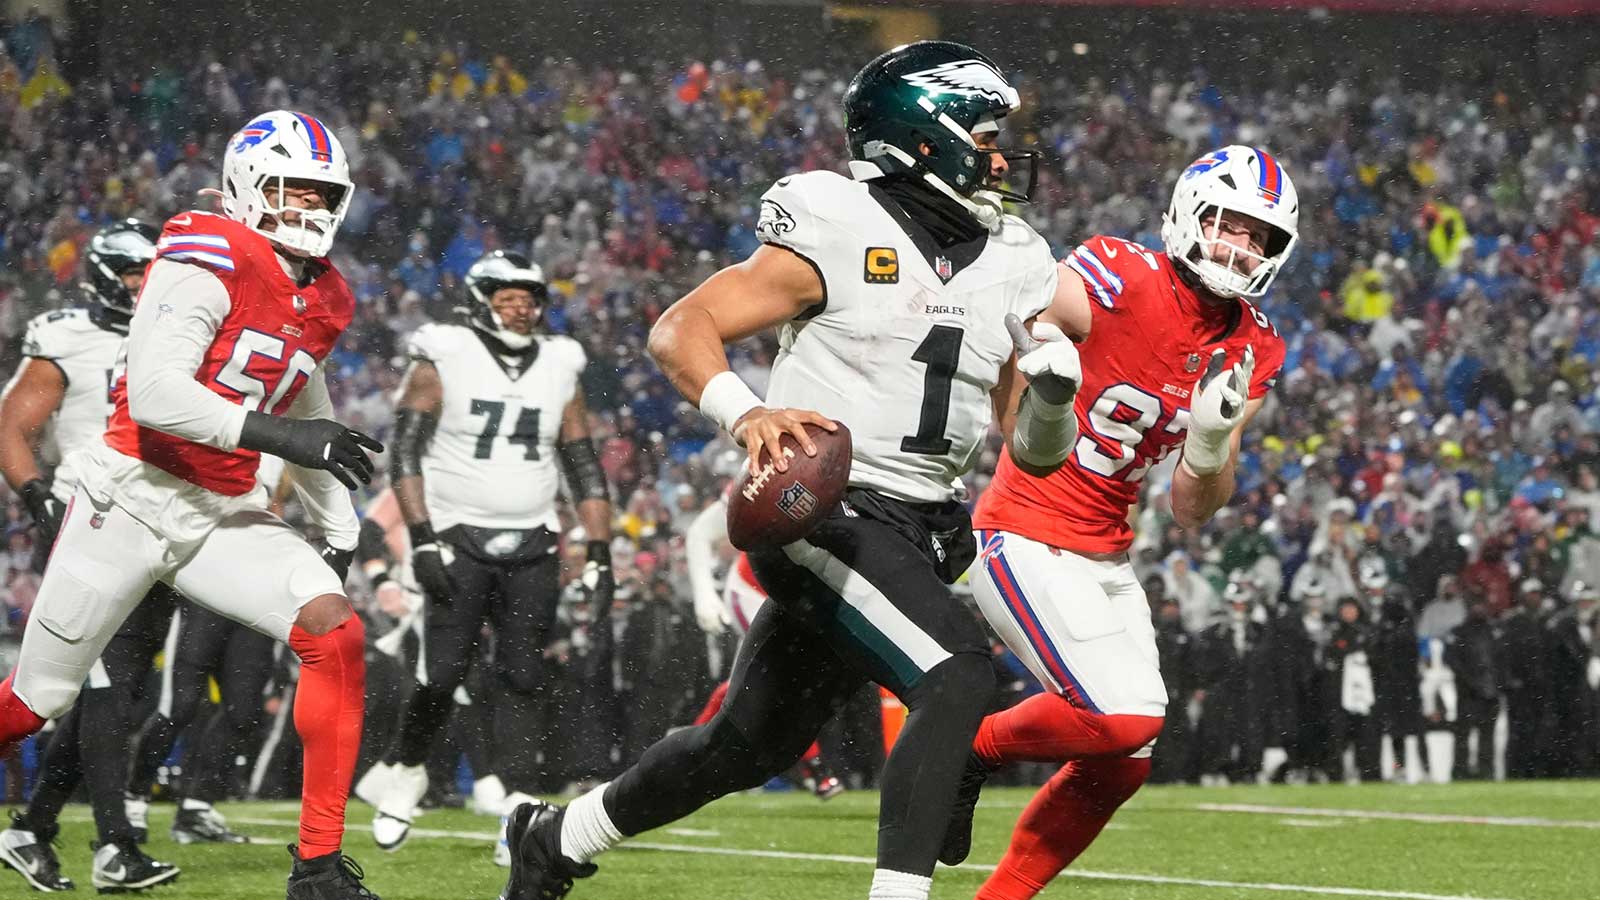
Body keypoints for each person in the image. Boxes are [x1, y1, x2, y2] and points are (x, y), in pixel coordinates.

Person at [499, 40, 1082, 900]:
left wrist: (1055, 400)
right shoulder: (837, 221)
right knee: (957, 671)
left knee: (747, 744)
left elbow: (1030, 449)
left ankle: (555, 839)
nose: (1001, 158)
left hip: (923, 523)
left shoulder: (1016, 255)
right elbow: (680, 328)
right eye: (986, 137)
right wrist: (749, 412)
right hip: (824, 506)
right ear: (924, 138)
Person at [0, 109, 384, 900]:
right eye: (292, 189)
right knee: (37, 703)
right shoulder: (205, 250)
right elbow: (155, 395)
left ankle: (317, 871)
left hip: (218, 510)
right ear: (248, 185)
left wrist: (338, 522)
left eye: (321, 194)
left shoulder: (325, 292)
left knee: (335, 631)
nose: (310, 207)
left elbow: (299, 389)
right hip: (129, 498)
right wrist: (288, 438)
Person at [951, 145, 1296, 898]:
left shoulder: (1255, 344)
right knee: (1124, 719)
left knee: (1124, 761)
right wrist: (1030, 388)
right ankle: (965, 749)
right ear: (1190, 215)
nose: (1240, 247)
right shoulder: (1118, 272)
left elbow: (1192, 508)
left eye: (1259, 236)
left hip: (1106, 553)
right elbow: (1016, 322)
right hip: (1024, 529)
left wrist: (1210, 443)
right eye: (1229, 224)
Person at [361, 250, 614, 852]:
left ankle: (518, 811)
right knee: (442, 675)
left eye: (529, 299)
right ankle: (407, 769)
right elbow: (405, 451)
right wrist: (422, 539)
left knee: (524, 676)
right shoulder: (445, 353)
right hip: (458, 535)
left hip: (532, 538)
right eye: (508, 298)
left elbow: (582, 463)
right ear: (480, 302)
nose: (521, 308)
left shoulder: (560, 362)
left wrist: (600, 549)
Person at [0, 221, 183, 891]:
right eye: (134, 274)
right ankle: (115, 847)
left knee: (116, 692)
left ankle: (30, 830)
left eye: (149, 274)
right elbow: (11, 424)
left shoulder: (179, 333)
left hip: (159, 526)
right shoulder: (68, 336)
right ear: (106, 276)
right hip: (87, 520)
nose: (143, 286)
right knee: (103, 688)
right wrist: (35, 496)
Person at [683, 493, 842, 799]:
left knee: (756, 684)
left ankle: (692, 752)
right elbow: (701, 532)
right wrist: (703, 592)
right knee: (783, 681)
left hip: (795, 594)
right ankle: (815, 769)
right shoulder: (774, 471)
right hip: (754, 589)